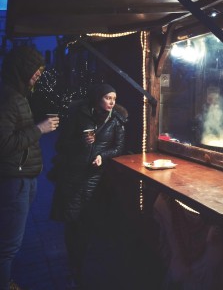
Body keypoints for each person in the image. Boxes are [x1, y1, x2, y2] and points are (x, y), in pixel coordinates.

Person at [50, 83, 127, 286]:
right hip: (73, 176)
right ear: (98, 98)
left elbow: (118, 147)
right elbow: (60, 145)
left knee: (87, 220)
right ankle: (73, 263)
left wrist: (103, 155)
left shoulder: (117, 121)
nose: (111, 102)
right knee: (72, 220)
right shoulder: (79, 115)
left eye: (114, 98)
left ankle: (82, 264)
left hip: (96, 178)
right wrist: (81, 142)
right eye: (108, 98)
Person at [0, 46, 59, 290]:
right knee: (8, 245)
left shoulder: (19, 94)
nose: (37, 75)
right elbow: (4, 144)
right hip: (15, 179)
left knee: (12, 241)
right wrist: (40, 129)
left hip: (24, 176)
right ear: (22, 69)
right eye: (35, 71)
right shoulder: (9, 98)